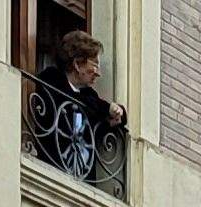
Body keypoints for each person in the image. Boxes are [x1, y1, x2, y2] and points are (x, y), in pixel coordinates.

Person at [26, 28, 127, 176]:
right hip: (52, 170)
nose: (98, 73)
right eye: (95, 65)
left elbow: (109, 114)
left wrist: (117, 112)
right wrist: (104, 109)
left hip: (81, 176)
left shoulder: (88, 95)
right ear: (78, 64)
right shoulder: (51, 80)